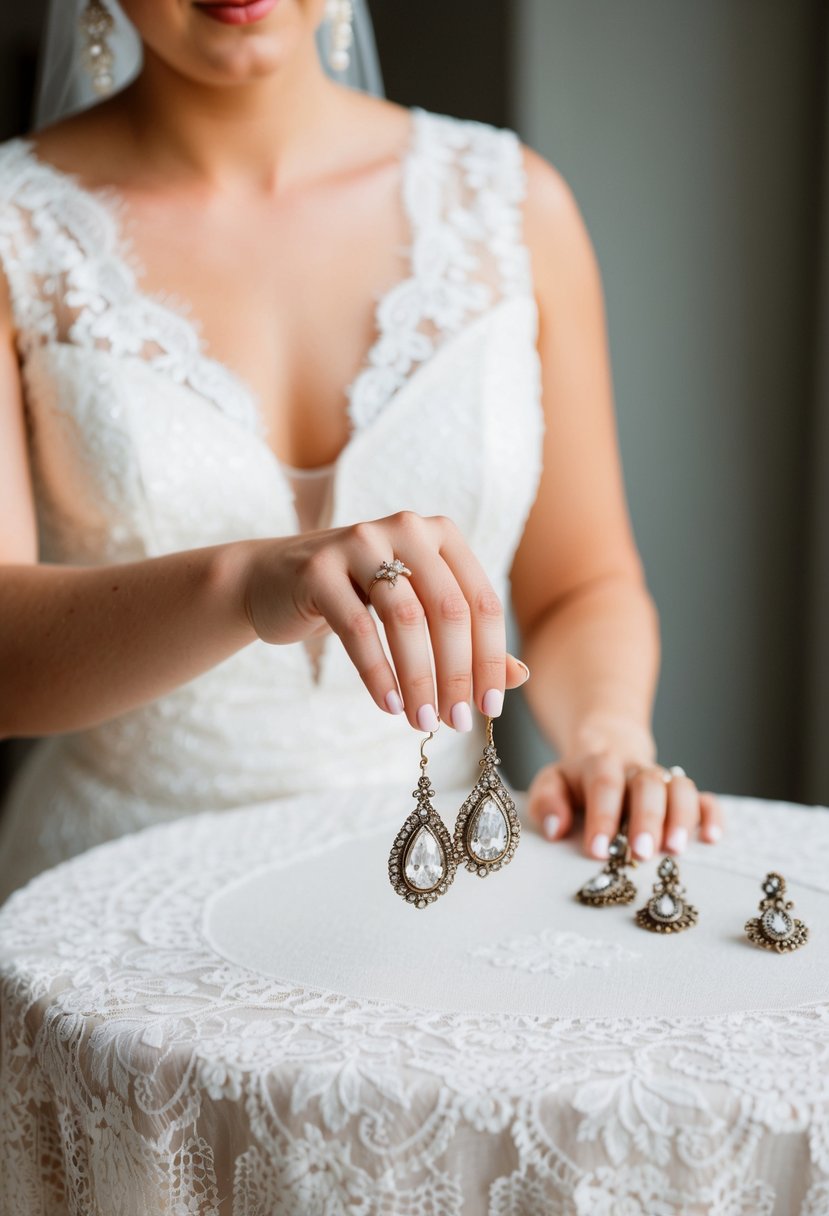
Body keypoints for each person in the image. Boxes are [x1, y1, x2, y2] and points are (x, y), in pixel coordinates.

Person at [0, 0, 723, 903]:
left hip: (443, 884)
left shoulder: (512, 204)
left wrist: (607, 740)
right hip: (112, 895)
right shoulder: (13, 228)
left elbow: (582, 585)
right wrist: (251, 583)